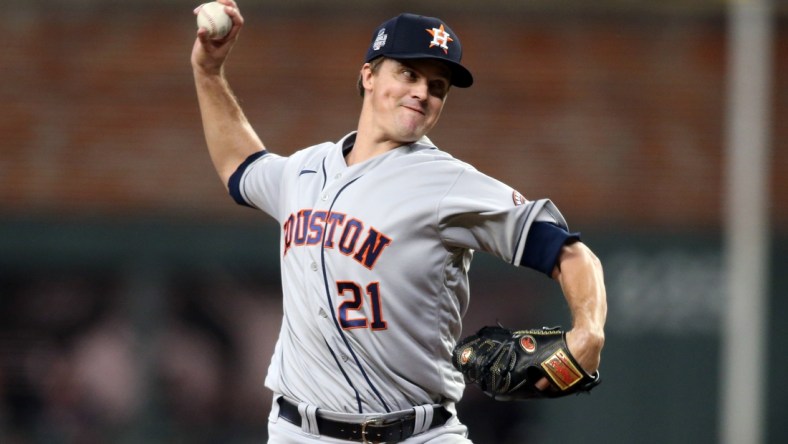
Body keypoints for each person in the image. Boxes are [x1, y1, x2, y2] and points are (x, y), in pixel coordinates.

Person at [191, 1, 607, 442]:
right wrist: (208, 72)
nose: (422, 92)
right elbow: (240, 165)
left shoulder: (447, 183)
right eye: (409, 74)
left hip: (419, 433)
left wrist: (589, 331)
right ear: (369, 75)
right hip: (302, 432)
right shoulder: (304, 171)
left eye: (437, 85)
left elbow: (569, 253)